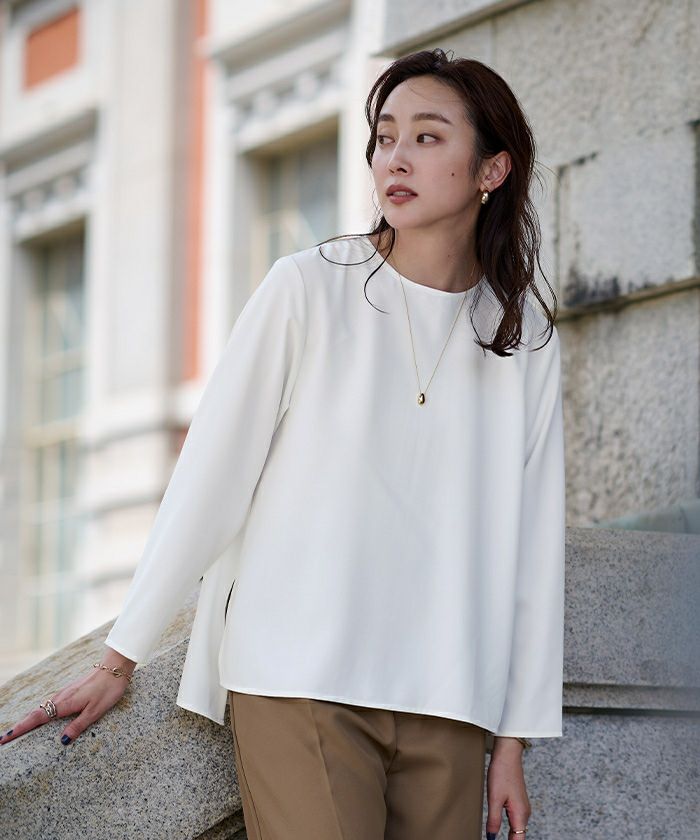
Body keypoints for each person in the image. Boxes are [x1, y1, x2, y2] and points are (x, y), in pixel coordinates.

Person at [1, 48, 565, 840]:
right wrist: (119, 657)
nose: (395, 158)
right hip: (302, 679)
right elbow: (211, 478)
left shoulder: (523, 335)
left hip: (451, 698)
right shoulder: (308, 287)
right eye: (385, 137)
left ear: (492, 170)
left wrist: (513, 741)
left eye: (427, 137)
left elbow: (532, 547)